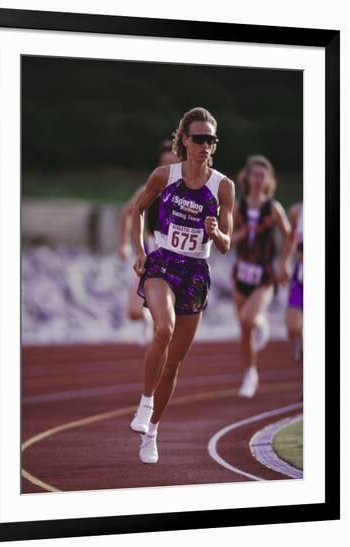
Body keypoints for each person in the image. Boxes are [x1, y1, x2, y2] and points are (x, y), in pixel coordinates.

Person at [129, 107, 235, 463]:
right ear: (185, 140)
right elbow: (137, 211)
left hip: (195, 272)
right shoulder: (164, 176)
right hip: (163, 262)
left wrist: (216, 232)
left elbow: (226, 244)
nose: (205, 145)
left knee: (174, 363)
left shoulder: (223, 186)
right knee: (163, 329)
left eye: (211, 140)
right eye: (199, 138)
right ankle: (144, 403)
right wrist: (139, 251)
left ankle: (153, 432)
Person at [231, 155, 291, 398]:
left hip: (264, 276)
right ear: (247, 177)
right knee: (244, 330)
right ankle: (250, 374)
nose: (257, 179)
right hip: (241, 273)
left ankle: (262, 323)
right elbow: (227, 238)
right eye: (253, 174)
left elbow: (290, 236)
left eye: (261, 175)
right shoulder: (239, 207)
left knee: (248, 319)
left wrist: (284, 263)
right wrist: (242, 233)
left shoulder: (273, 209)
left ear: (268, 180)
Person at [118, 141, 177, 341]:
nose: (167, 169)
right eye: (164, 164)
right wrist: (124, 244)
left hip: (177, 263)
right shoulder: (149, 189)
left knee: (167, 321)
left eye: (173, 164)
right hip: (151, 257)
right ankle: (148, 320)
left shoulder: (188, 192)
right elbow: (126, 213)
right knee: (134, 311)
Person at [283, 201, 303, 362]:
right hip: (301, 274)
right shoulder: (297, 211)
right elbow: (290, 241)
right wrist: (285, 263)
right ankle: (300, 338)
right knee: (292, 328)